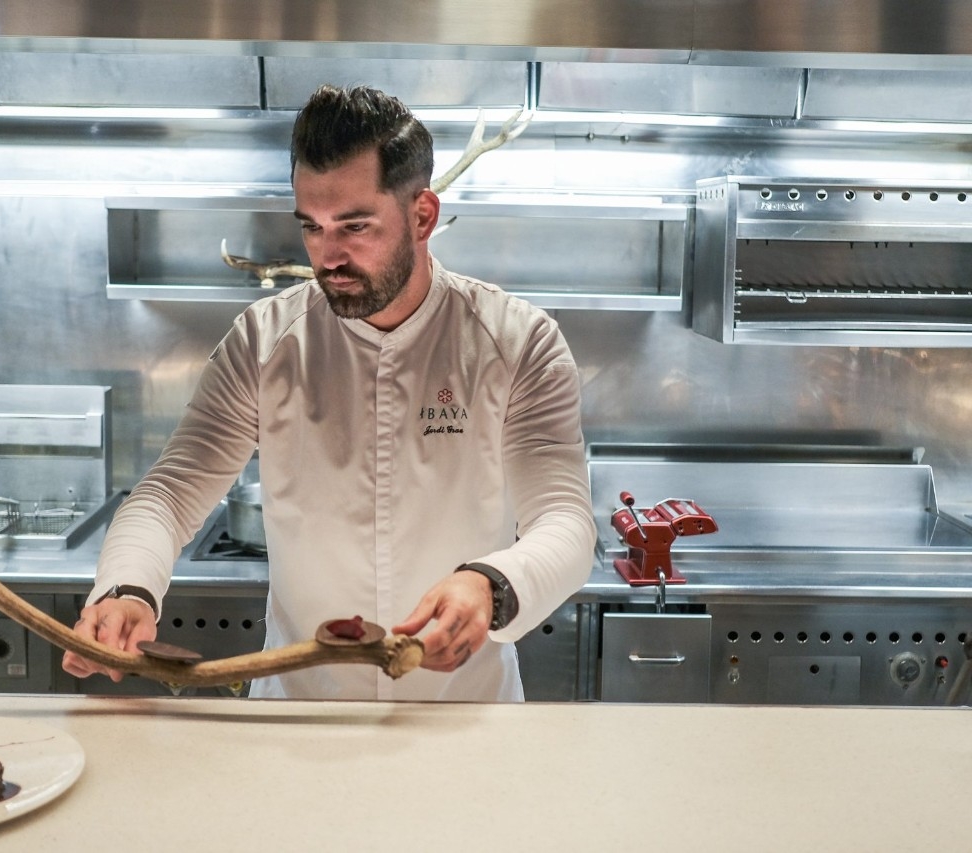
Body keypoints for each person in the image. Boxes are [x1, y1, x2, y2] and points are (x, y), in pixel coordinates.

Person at [63, 84, 596, 701]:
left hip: (462, 717)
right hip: (298, 717)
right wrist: (127, 588)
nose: (328, 256)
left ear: (422, 215)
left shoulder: (516, 342)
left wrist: (490, 583)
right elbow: (170, 494)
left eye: (355, 226)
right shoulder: (264, 343)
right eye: (311, 228)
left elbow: (564, 523)